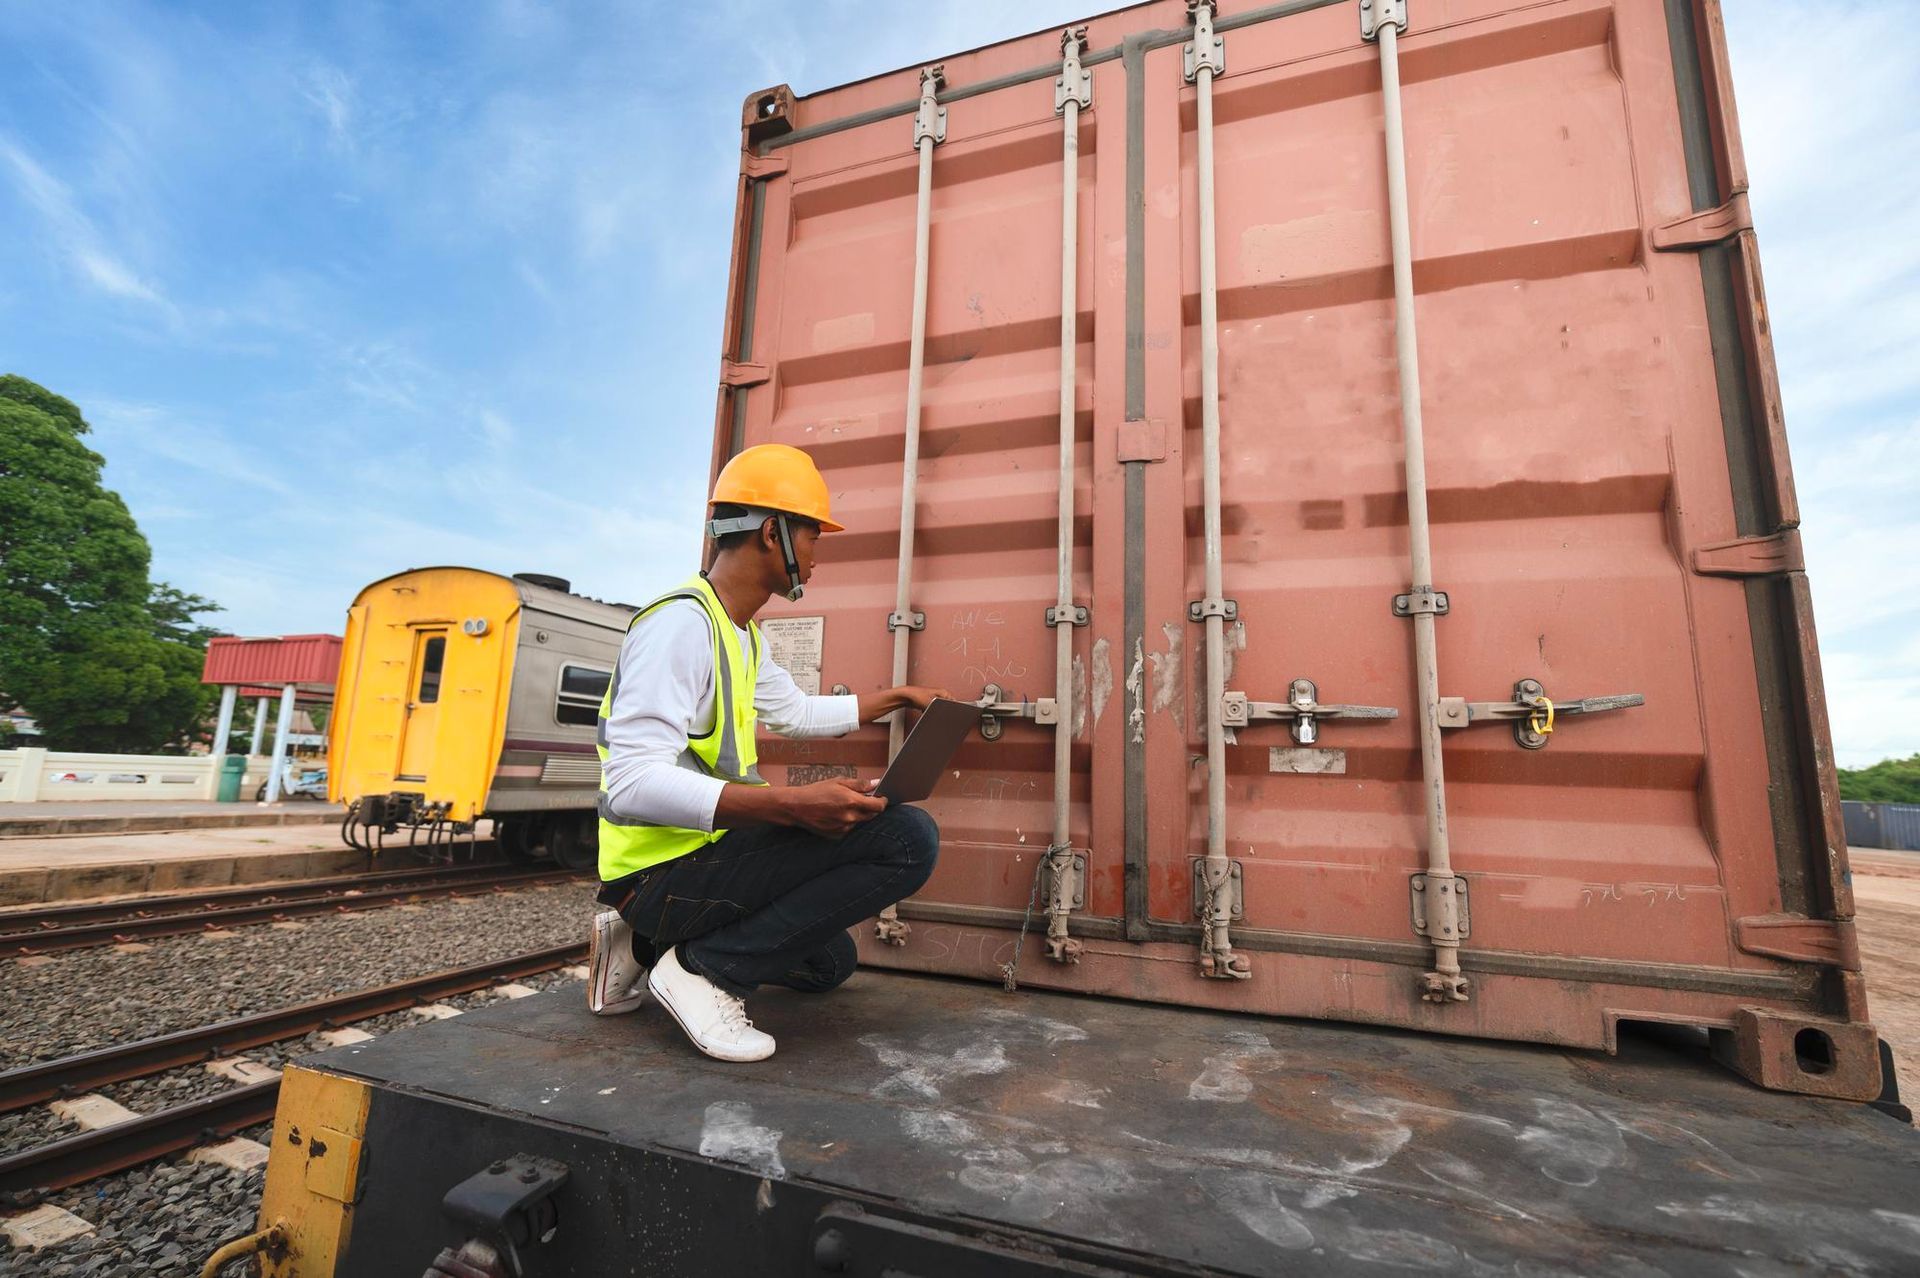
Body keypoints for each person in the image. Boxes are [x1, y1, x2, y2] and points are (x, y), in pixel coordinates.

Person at [587, 442, 947, 1062]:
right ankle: (702, 970)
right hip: (655, 871)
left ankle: (640, 944)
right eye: (812, 536)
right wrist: (790, 807)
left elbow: (796, 712)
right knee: (907, 838)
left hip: (701, 857)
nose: (815, 555)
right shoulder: (680, 626)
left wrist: (893, 698)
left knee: (827, 963)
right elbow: (630, 783)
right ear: (771, 531)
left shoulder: (743, 634)